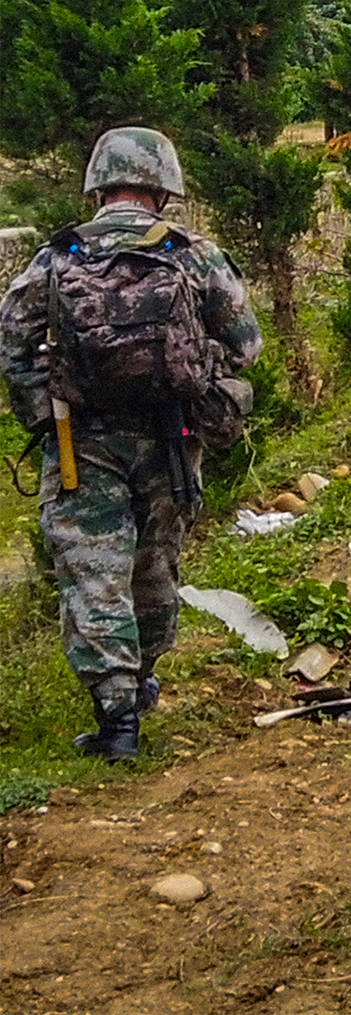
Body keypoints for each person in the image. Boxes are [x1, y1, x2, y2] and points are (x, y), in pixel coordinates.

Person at [0, 128, 261, 762]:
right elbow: (247, 343)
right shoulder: (191, 252)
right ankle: (142, 682)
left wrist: (45, 406)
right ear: (162, 187)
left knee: (94, 572)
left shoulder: (57, 256)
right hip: (170, 433)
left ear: (98, 184)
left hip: (78, 437)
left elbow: (11, 341)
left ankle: (117, 721)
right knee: (154, 563)